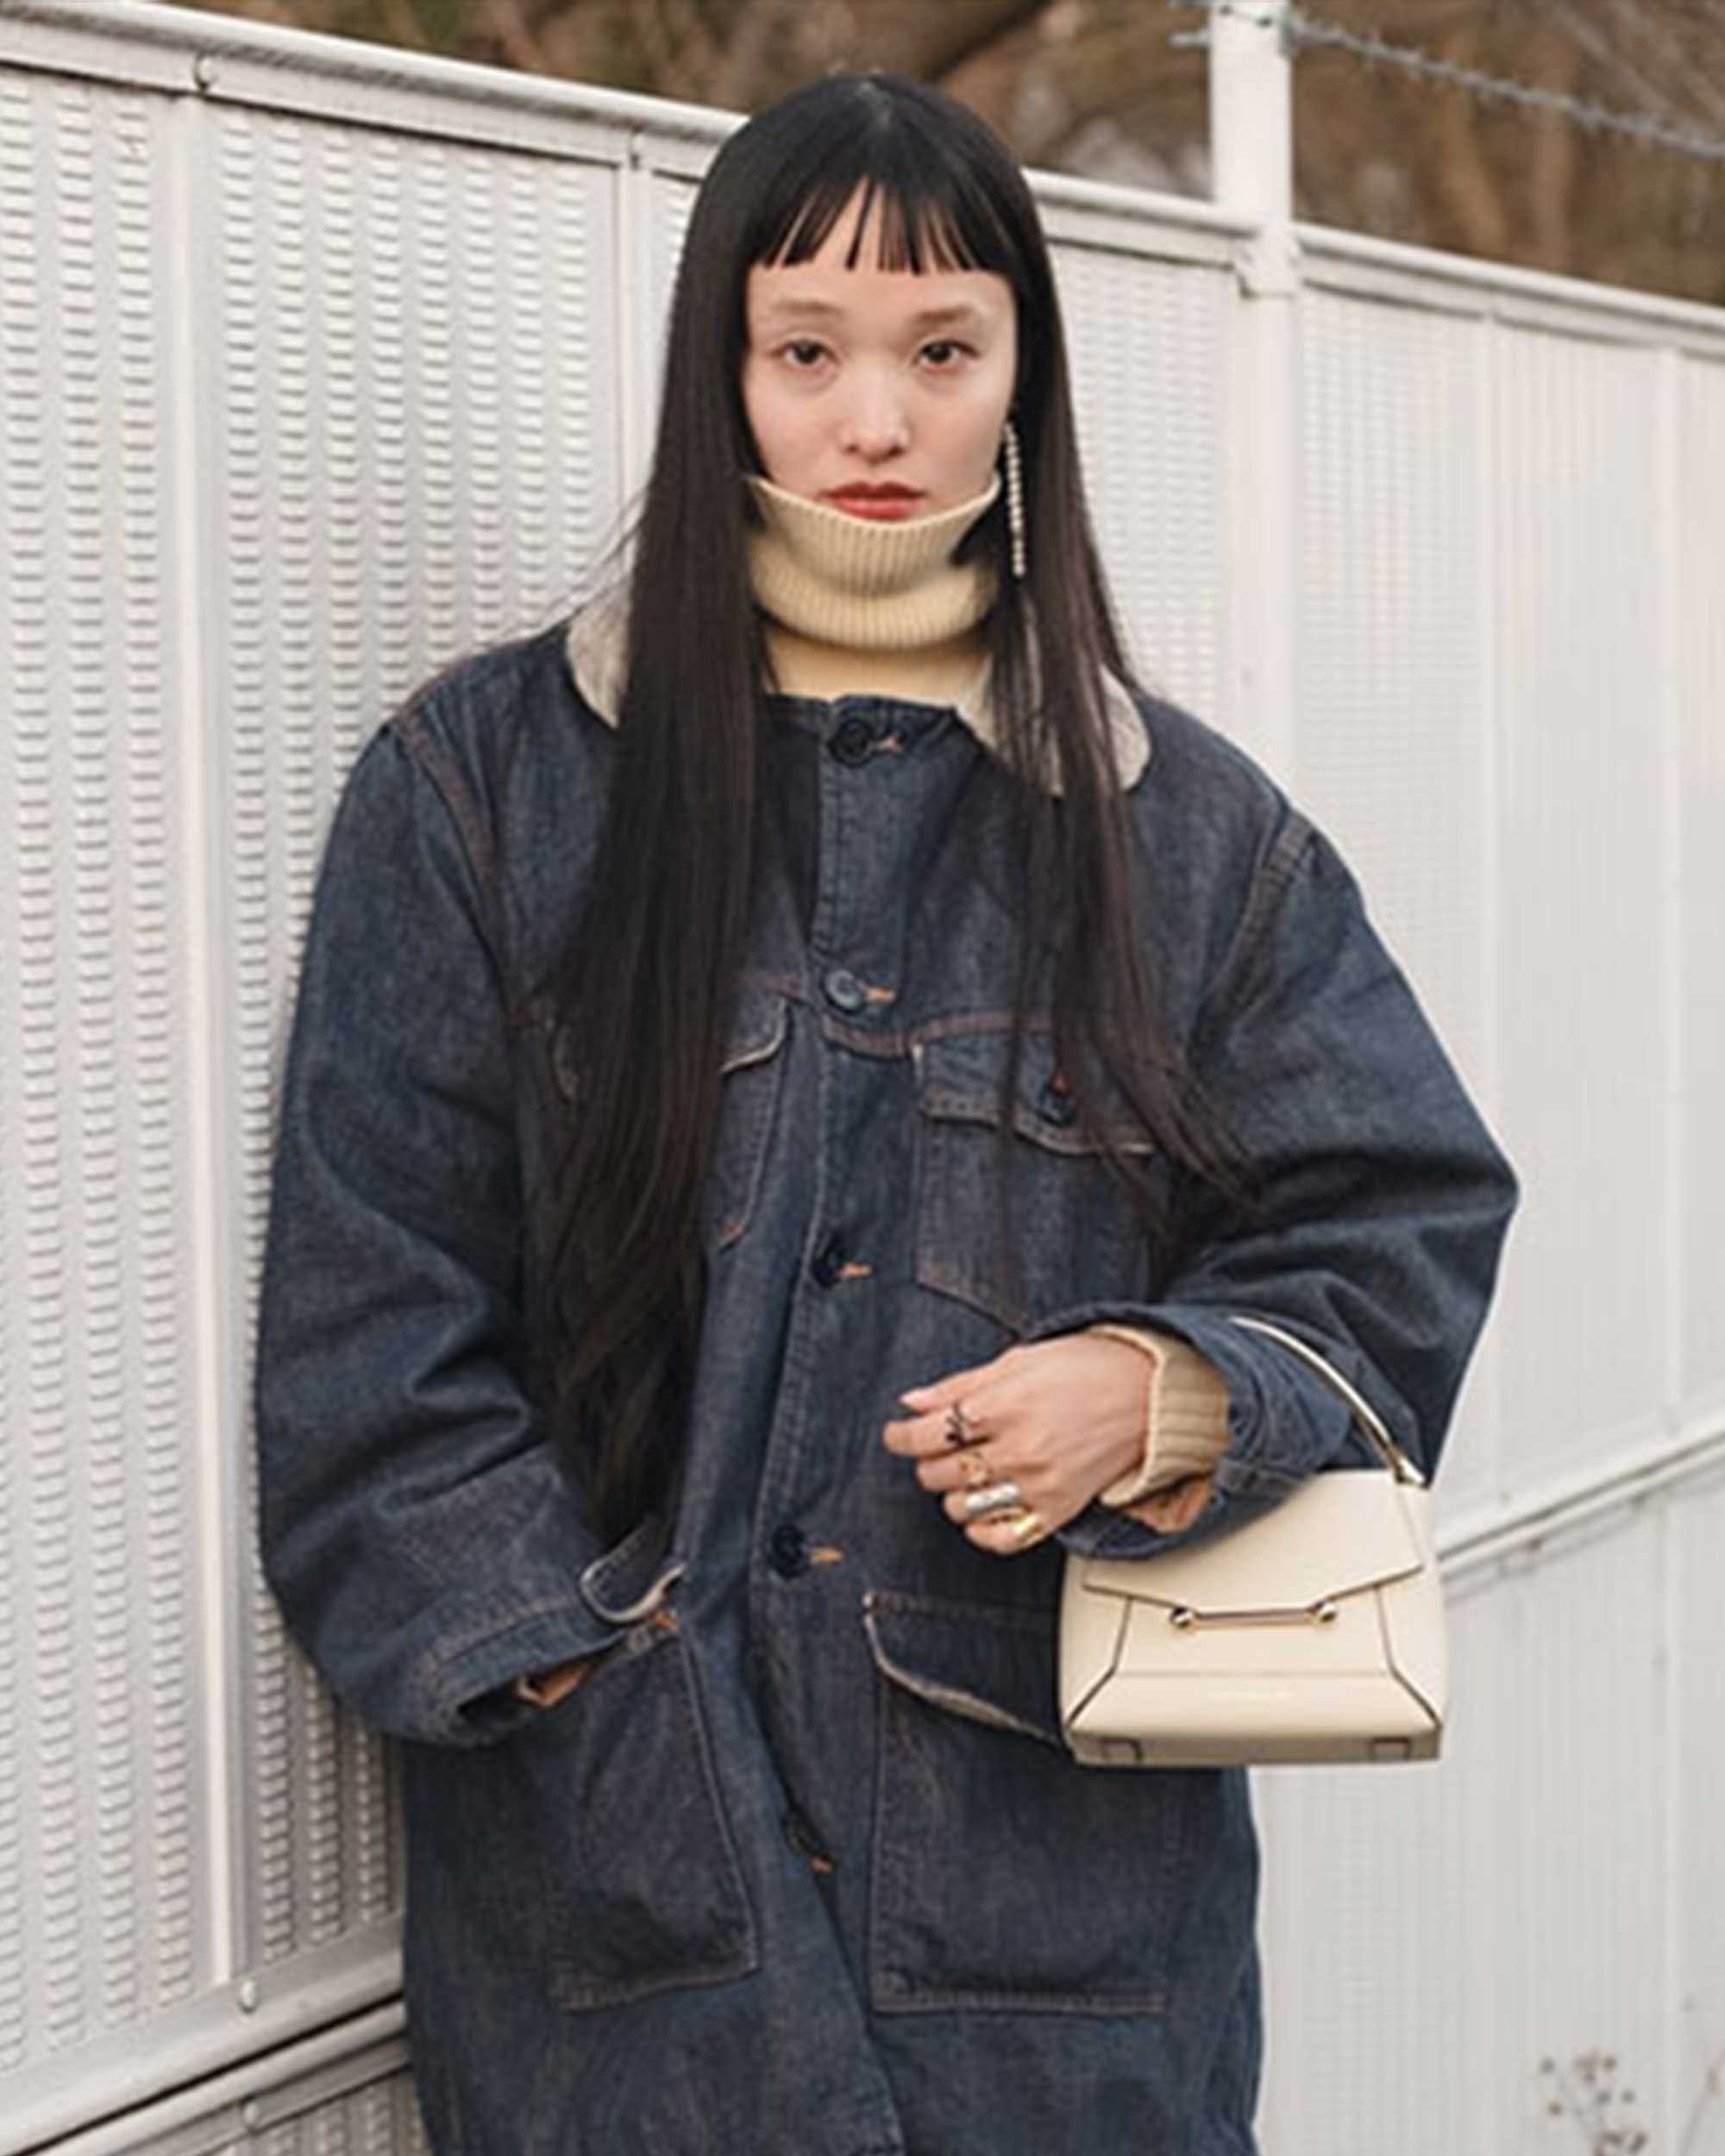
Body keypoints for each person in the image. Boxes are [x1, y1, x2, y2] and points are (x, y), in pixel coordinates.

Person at [254, 71, 1516, 2156]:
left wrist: (1167, 1386)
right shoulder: (487, 793)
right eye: (807, 349)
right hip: (619, 1968)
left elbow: (1397, 1217)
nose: (875, 421)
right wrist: (599, 1714)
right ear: (718, 370)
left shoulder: (1184, 839)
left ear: (1021, 375)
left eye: (943, 351)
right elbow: (372, 1366)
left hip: (1064, 1975)